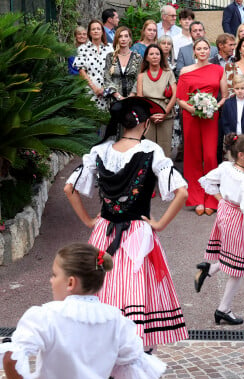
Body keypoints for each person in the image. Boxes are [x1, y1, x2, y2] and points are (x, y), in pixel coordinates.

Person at [64, 97, 189, 348]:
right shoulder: (151, 151)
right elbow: (182, 192)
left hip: (103, 234)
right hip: (137, 235)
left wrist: (90, 221)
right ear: (143, 124)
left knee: (104, 290)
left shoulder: (100, 151)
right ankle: (133, 351)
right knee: (135, 292)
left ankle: (105, 350)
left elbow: (69, 189)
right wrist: (160, 224)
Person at [0, 243, 167, 379]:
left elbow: (11, 357)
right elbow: (133, 363)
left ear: (71, 282)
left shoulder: (46, 316)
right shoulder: (115, 319)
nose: (51, 281)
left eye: (55, 275)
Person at [194, 134, 244, 325]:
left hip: (225, 214)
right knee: (239, 267)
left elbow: (206, 181)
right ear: (241, 155)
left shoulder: (225, 168)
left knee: (242, 256)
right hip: (238, 218)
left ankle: (210, 269)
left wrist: (221, 200)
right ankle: (223, 309)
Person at [176, 37, 228, 215]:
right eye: (199, 48)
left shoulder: (219, 70)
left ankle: (211, 198)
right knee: (193, 156)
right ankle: (197, 199)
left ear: (210, 51)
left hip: (210, 117)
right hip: (190, 116)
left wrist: (213, 107)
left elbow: (224, 96)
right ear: (194, 52)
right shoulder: (185, 70)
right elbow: (180, 98)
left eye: (206, 48)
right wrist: (193, 108)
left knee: (210, 156)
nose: (203, 51)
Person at [136, 44, 177, 157]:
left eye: (157, 54)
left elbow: (175, 94)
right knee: (147, 147)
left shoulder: (168, 73)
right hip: (148, 115)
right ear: (146, 58)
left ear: (161, 56)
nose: (154, 56)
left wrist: (165, 112)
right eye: (151, 54)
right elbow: (140, 98)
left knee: (164, 147)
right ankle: (147, 173)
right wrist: (149, 114)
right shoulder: (141, 76)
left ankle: (164, 173)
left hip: (166, 114)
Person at [73, 19, 113, 110]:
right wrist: (95, 88)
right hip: (90, 89)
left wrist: (104, 88)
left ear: (102, 32)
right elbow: (82, 71)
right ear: (89, 33)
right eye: (93, 29)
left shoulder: (110, 48)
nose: (96, 31)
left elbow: (114, 68)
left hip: (107, 89)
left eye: (98, 29)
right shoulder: (83, 48)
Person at [104, 27, 142, 103]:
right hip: (114, 101)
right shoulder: (110, 57)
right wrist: (118, 96)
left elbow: (139, 79)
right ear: (117, 39)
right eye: (120, 36)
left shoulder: (137, 57)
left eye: (126, 36)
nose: (123, 39)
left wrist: (131, 96)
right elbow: (107, 79)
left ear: (130, 39)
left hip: (132, 100)